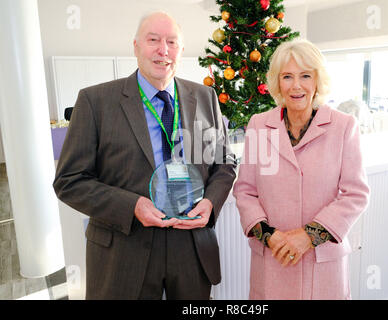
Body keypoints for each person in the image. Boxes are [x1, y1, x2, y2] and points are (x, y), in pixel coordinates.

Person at [53, 11, 236, 300]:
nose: (163, 50)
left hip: (190, 247)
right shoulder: (95, 101)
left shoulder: (205, 97)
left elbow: (225, 163)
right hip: (125, 250)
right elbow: (69, 181)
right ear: (136, 46)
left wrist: (211, 202)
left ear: (181, 51)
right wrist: (132, 205)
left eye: (172, 42)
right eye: (153, 40)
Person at [233, 39, 370, 300]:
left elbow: (356, 194)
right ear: (277, 82)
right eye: (287, 76)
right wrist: (269, 237)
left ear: (317, 81)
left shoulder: (343, 126)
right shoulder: (259, 125)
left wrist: (309, 235)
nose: (296, 86)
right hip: (274, 259)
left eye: (305, 75)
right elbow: (245, 191)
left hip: (322, 262)